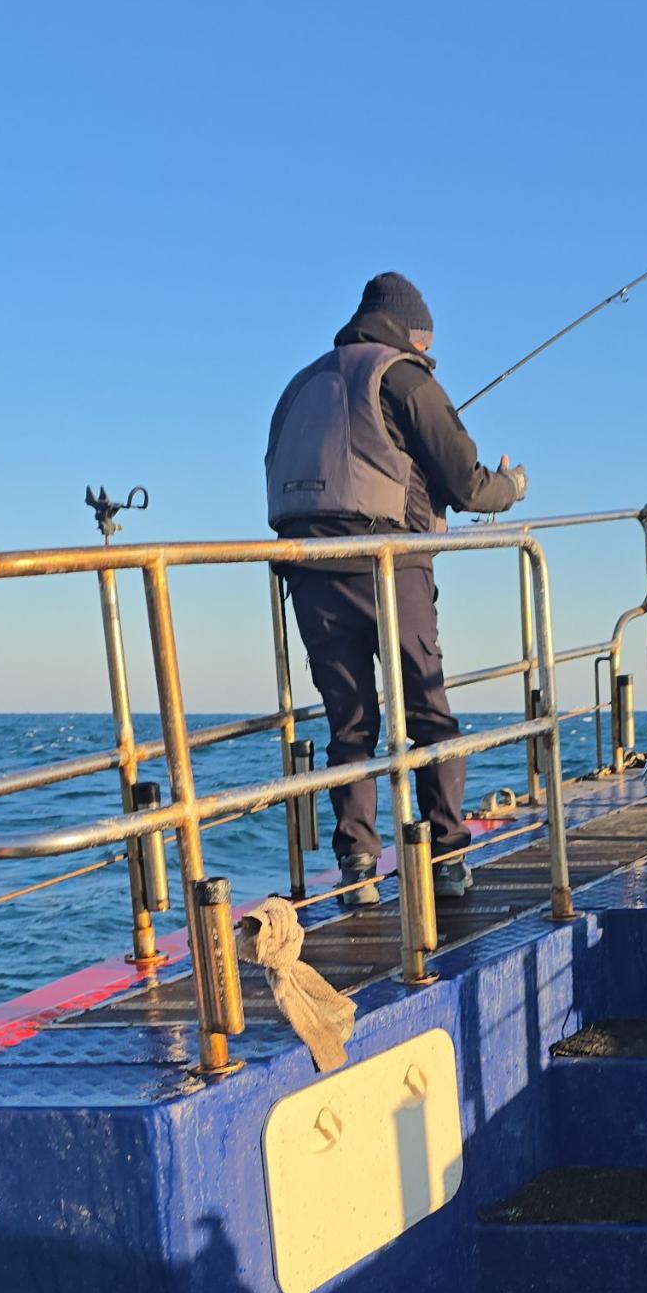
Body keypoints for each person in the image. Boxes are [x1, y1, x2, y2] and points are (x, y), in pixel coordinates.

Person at [266, 273, 527, 904]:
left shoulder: (302, 383)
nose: (429, 350)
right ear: (411, 331)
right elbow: (466, 483)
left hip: (308, 571)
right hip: (389, 564)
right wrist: (512, 487)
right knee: (429, 710)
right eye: (427, 340)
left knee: (350, 719)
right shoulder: (403, 376)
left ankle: (357, 866)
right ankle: (447, 856)